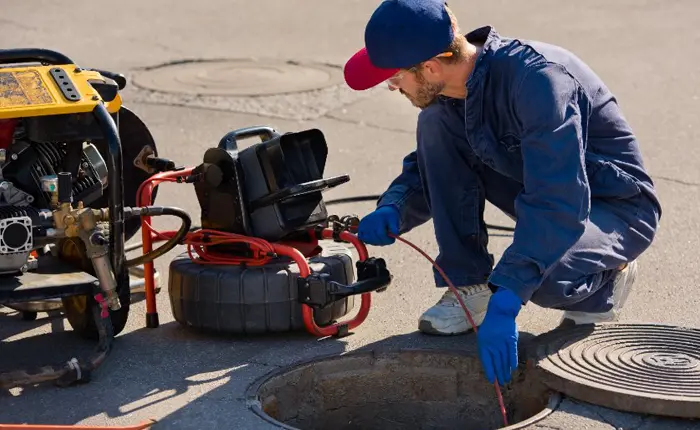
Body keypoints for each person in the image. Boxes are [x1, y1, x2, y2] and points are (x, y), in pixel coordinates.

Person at [343, 0, 662, 386]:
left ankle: (608, 278)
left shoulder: (539, 82)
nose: (392, 87)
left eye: (394, 77)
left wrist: (509, 297)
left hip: (615, 207)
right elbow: (435, 163)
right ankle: (469, 286)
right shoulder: (455, 90)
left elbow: (558, 200)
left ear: (429, 67)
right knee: (436, 125)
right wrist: (395, 206)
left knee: (540, 278)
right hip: (543, 187)